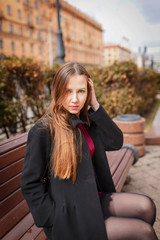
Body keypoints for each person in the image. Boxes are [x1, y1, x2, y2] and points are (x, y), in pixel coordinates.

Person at [21, 62, 158, 240]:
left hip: (92, 199)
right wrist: (51, 217)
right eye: (68, 91)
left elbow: (116, 142)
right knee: (143, 232)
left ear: (88, 92)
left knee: (147, 206)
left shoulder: (86, 121)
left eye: (81, 91)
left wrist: (95, 104)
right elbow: (29, 183)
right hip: (69, 216)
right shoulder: (44, 130)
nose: (74, 99)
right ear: (57, 91)